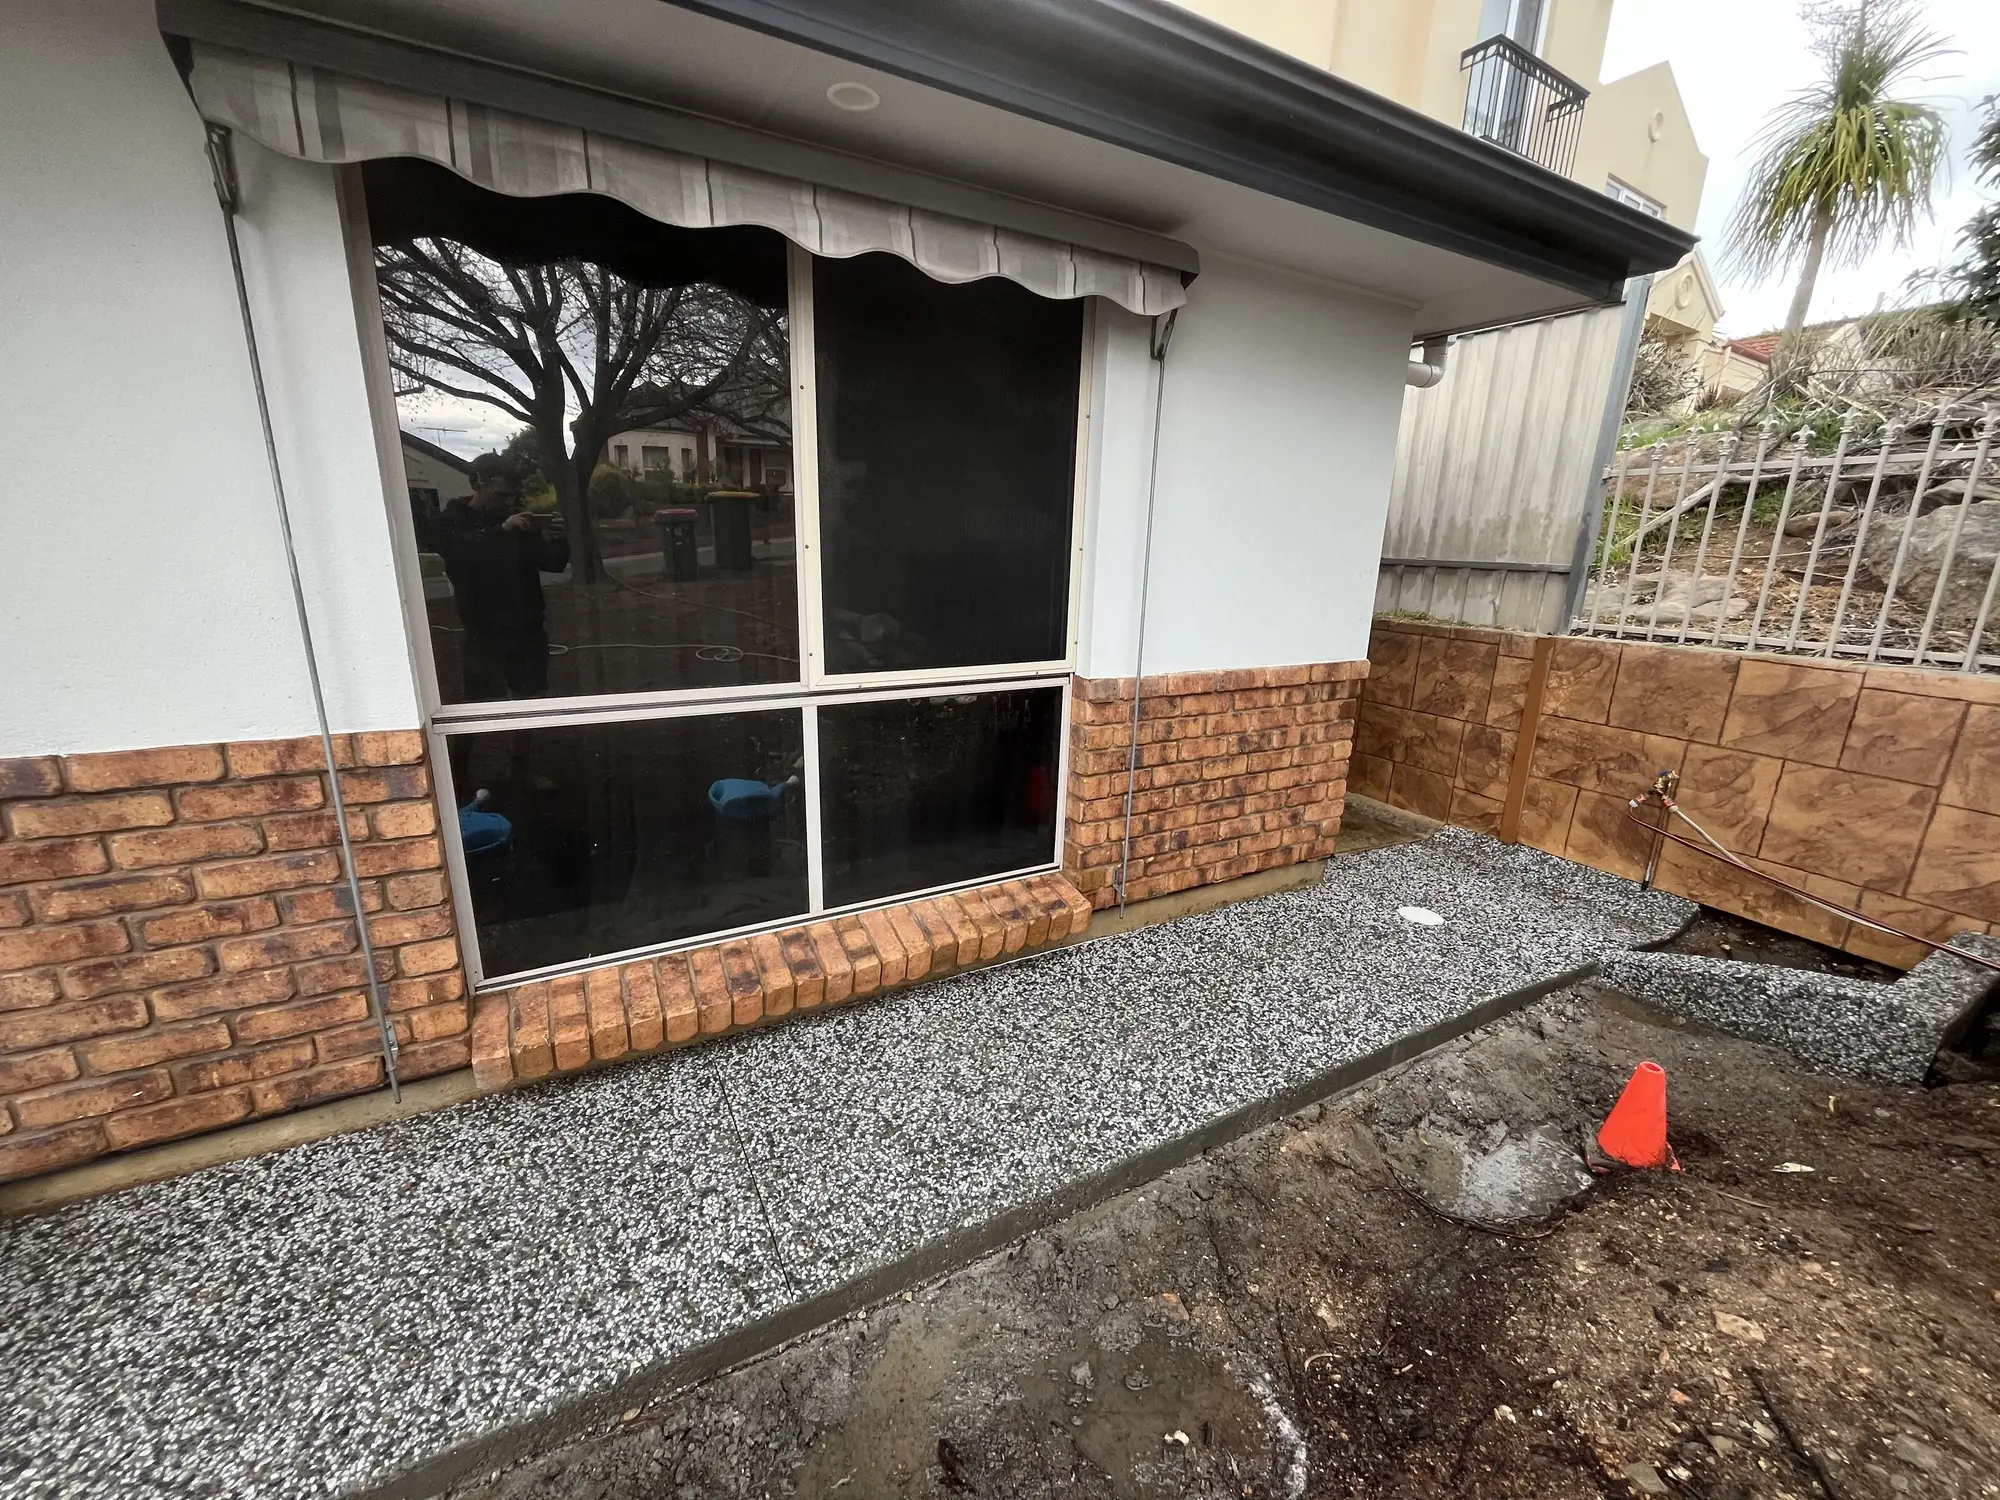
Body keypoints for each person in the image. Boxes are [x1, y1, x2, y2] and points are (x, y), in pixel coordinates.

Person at [417, 454, 569, 702]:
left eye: (512, 495)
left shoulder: (517, 522)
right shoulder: (452, 520)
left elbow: (553, 563)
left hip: (526, 628)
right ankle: (465, 742)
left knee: (526, 701)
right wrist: (501, 532)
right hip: (484, 630)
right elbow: (458, 550)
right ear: (477, 484)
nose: (508, 502)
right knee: (478, 704)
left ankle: (521, 741)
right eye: (501, 494)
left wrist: (558, 539)